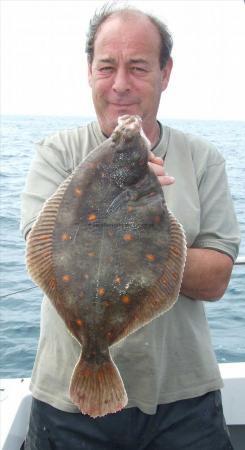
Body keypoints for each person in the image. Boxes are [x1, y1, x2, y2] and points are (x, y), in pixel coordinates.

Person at [21, 3, 240, 450]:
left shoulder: (204, 159)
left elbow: (217, 277)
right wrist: (120, 213)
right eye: (107, 67)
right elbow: (38, 247)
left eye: (138, 67)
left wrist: (143, 223)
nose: (120, 84)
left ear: (166, 72)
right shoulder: (56, 153)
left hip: (183, 399)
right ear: (89, 72)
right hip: (67, 401)